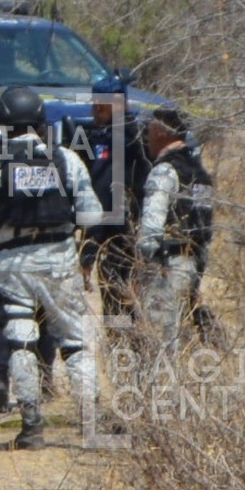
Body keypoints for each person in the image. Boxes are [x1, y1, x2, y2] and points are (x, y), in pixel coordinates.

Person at [0, 87, 102, 449]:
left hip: (11, 267)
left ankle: (31, 426)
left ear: (3, 126)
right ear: (40, 123)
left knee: (21, 341)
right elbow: (91, 213)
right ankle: (91, 422)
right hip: (58, 261)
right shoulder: (67, 160)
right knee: (75, 344)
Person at [136, 107, 214, 353]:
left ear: (161, 133)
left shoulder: (163, 171)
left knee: (159, 341)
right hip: (192, 266)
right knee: (179, 337)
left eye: (149, 131)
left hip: (165, 267)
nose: (146, 137)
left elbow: (151, 228)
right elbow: (204, 227)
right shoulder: (201, 174)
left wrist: (143, 265)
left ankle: (161, 389)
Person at [76, 77, 152, 325]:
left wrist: (88, 250)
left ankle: (125, 358)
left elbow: (104, 200)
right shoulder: (142, 133)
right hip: (145, 243)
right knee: (139, 317)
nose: (94, 112)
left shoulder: (120, 141)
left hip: (124, 246)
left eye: (99, 106)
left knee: (120, 319)